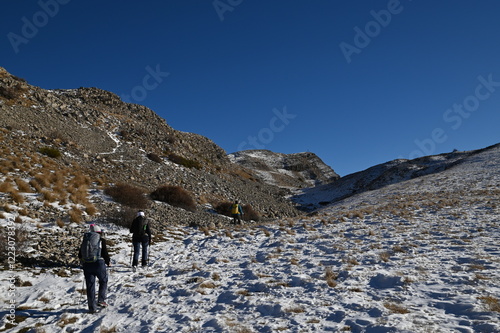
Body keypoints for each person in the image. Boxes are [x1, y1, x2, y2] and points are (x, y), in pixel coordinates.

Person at [78, 224, 111, 314]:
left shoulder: (86, 239)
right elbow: (104, 251)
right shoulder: (100, 238)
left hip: (87, 264)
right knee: (103, 280)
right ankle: (101, 300)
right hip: (98, 263)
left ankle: (92, 308)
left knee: (90, 286)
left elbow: (80, 254)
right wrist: (108, 261)